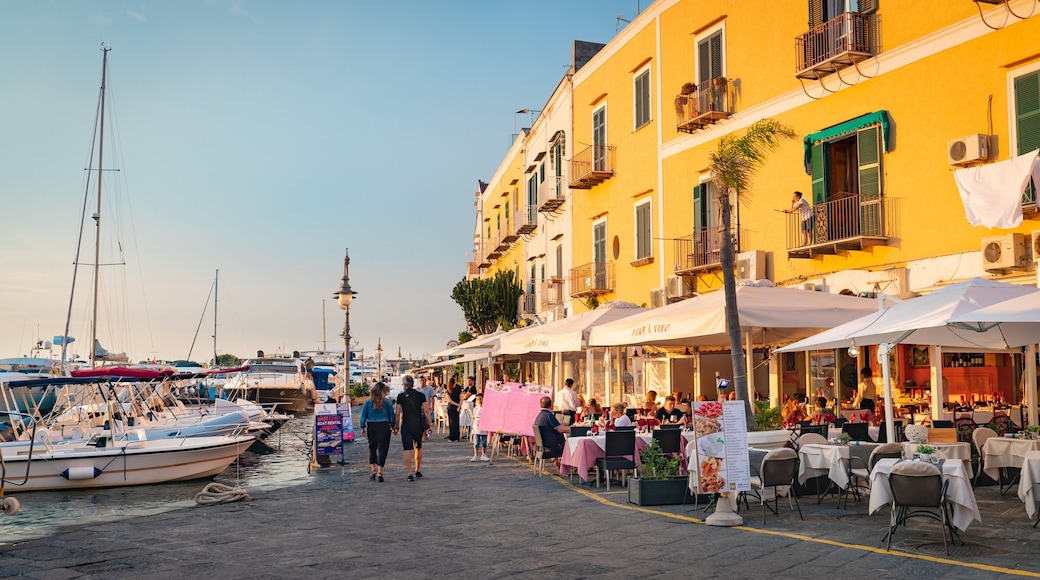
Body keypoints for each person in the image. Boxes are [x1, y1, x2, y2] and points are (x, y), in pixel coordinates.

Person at [395, 375, 430, 482]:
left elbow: (397, 413)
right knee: (418, 447)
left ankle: (410, 473)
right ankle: (418, 470)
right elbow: (426, 411)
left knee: (407, 449)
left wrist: (396, 426)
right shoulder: (420, 395)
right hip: (418, 424)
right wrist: (430, 424)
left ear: (404, 385)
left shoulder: (401, 396)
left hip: (406, 424)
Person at [360, 382, 395, 482]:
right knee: (383, 449)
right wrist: (393, 426)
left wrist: (362, 426)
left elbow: (363, 416)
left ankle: (373, 471)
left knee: (372, 448)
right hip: (384, 426)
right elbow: (391, 416)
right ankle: (380, 472)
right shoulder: (387, 402)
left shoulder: (368, 401)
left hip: (372, 426)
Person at [533, 396, 569, 461]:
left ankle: (560, 462)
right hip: (554, 446)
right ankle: (567, 464)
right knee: (571, 445)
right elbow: (560, 429)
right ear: (551, 405)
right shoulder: (549, 416)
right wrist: (573, 428)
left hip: (543, 445)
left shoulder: (539, 416)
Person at [470, 394, 488, 462]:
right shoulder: (476, 409)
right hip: (477, 425)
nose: (479, 400)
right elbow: (474, 417)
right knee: (476, 441)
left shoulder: (486, 408)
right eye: (478, 399)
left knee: (484, 441)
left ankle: (483, 454)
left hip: (484, 425)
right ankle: (476, 454)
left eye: (480, 399)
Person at [445, 376, 462, 442]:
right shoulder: (458, 390)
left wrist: (456, 405)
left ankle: (452, 437)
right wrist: (459, 406)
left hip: (451, 407)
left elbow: (449, 401)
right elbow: (461, 399)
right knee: (457, 422)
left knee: (452, 423)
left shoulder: (448, 391)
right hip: (457, 408)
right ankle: (457, 437)